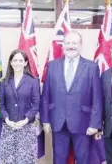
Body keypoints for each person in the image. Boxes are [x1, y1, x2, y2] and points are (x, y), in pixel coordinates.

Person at [40, 30, 103, 164]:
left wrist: (95, 124)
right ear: (62, 45)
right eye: (67, 43)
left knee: (83, 159)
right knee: (59, 160)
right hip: (58, 121)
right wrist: (45, 120)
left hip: (83, 123)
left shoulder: (91, 67)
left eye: (74, 43)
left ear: (81, 45)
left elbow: (97, 98)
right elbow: (46, 95)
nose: (71, 46)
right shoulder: (52, 66)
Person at [0, 49, 40, 164]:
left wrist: (25, 120)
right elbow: (1, 105)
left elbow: (36, 105)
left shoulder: (33, 82)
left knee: (26, 160)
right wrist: (7, 119)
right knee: (8, 160)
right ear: (10, 62)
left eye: (20, 60)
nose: (17, 63)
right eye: (15, 60)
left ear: (25, 63)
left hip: (26, 128)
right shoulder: (4, 82)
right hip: (8, 127)